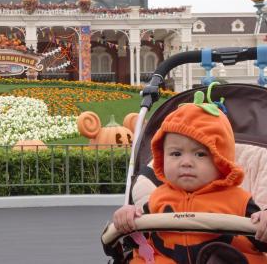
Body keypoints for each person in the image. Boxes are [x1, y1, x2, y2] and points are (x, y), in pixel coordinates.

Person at [113, 90, 267, 264]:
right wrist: (128, 217)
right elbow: (137, 239)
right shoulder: (157, 198)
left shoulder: (240, 201)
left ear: (221, 161)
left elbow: (262, 243)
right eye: (176, 154)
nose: (186, 162)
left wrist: (264, 223)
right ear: (162, 157)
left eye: (200, 154)